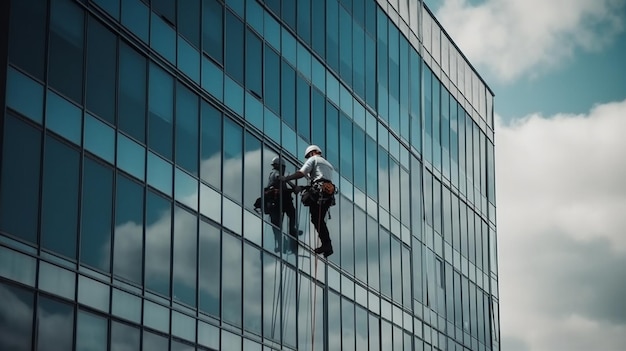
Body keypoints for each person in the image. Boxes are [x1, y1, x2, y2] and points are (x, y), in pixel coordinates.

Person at [281, 145, 335, 257]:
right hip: (327, 195)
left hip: (319, 193)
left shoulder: (313, 159)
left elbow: (301, 173)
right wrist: (301, 188)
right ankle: (327, 245)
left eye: (308, 155)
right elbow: (320, 180)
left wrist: (287, 178)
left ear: (313, 152)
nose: (307, 158)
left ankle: (327, 245)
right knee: (319, 220)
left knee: (316, 219)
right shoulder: (328, 165)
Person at [266, 156, 302, 253]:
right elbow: (280, 177)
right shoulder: (275, 173)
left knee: (288, 216)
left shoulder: (278, 175)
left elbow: (283, 179)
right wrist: (293, 186)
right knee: (278, 224)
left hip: (281, 200)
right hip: (277, 201)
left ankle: (289, 235)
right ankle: (283, 241)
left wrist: (293, 187)